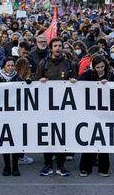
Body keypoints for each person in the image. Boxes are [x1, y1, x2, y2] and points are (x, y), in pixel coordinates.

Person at [36, 37, 77, 177]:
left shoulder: (69, 64)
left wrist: (73, 81)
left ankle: (60, 165)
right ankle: (47, 164)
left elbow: (77, 84)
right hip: (47, 107)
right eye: (55, 46)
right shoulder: (44, 63)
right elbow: (36, 83)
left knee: (62, 136)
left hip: (65, 107)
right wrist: (41, 81)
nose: (58, 48)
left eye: (60, 45)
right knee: (48, 136)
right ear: (51, 48)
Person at [79, 54, 114, 177]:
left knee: (103, 141)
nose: (100, 69)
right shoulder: (87, 75)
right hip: (90, 112)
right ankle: (85, 168)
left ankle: (104, 168)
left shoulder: (110, 75)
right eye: (98, 67)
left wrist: (108, 84)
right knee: (89, 139)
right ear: (93, 67)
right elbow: (78, 86)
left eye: (102, 67)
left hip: (105, 113)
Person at [0, 57, 23, 176]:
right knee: (5, 141)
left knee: (15, 141)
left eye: (12, 65)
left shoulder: (18, 78)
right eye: (8, 65)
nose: (10, 67)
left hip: (15, 114)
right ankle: (6, 166)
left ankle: (15, 166)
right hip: (2, 114)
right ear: (4, 66)